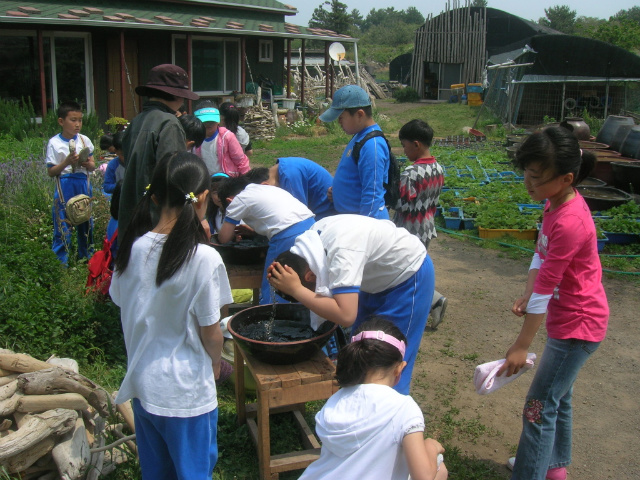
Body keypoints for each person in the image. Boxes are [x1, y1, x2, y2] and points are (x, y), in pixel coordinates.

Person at [110, 151, 233, 480]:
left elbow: (124, 302)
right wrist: (216, 362)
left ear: (154, 195)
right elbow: (212, 332)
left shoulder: (134, 249)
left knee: (157, 473)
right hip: (186, 395)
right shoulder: (204, 259)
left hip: (143, 386)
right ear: (202, 198)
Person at [496, 127, 609, 480]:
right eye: (527, 175)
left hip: (579, 325)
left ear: (566, 178)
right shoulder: (554, 202)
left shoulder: (572, 221)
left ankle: (531, 472)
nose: (529, 184)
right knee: (557, 399)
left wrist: (520, 345)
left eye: (537, 178)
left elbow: (548, 285)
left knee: (538, 406)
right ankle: (553, 468)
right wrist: (529, 292)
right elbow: (540, 257)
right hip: (568, 321)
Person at [268, 214, 435, 395]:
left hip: (407, 277)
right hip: (374, 280)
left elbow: (346, 316)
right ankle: (358, 407)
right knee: (362, 348)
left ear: (310, 277)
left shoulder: (342, 253)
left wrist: (296, 290)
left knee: (389, 359)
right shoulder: (309, 246)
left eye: (308, 289)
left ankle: (391, 414)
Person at [299, 317, 447, 480]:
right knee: (439, 468)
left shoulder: (335, 402)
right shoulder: (403, 408)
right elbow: (424, 477)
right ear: (399, 369)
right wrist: (431, 447)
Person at [119, 64, 199, 236]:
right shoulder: (169, 123)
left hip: (132, 214)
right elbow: (173, 176)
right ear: (175, 95)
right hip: (156, 218)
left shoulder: (136, 121)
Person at [217, 174, 315, 304]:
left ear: (230, 201)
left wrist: (231, 234)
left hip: (286, 235)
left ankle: (270, 317)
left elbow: (223, 239)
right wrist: (254, 232)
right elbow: (277, 216)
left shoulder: (238, 200)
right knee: (302, 278)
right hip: (311, 227)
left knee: (273, 282)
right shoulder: (266, 189)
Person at [394, 119, 448, 329]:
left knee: (404, 274)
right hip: (426, 228)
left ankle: (432, 302)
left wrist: (388, 192)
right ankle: (433, 301)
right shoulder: (437, 168)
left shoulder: (411, 173)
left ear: (416, 144)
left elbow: (403, 205)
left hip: (409, 230)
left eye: (405, 145)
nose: (404, 150)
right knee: (415, 271)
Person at [319, 84, 390, 219]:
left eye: (341, 118)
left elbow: (372, 196)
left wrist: (363, 232)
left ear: (359, 115)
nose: (339, 123)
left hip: (364, 223)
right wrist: (339, 193)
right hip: (352, 219)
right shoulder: (360, 136)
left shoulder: (372, 146)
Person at [45, 101, 96, 264]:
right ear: (61, 121)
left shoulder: (84, 140)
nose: (77, 124)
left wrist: (88, 164)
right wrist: (66, 162)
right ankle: (61, 261)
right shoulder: (54, 142)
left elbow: (93, 164)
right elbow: (51, 171)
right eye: (73, 120)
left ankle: (87, 256)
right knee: (62, 222)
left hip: (83, 182)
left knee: (85, 219)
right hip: (65, 184)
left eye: (80, 120)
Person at [245, 158, 337, 220]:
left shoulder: (289, 177)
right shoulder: (283, 167)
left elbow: (297, 216)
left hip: (327, 215)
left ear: (265, 185)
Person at [194, 101, 249, 177]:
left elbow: (240, 160)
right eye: (204, 122)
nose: (208, 124)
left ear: (219, 120)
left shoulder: (227, 137)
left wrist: (248, 179)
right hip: (205, 180)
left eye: (212, 121)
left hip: (226, 180)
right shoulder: (194, 138)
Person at [103, 130, 126, 195]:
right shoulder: (113, 165)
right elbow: (107, 187)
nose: (126, 158)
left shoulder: (136, 163)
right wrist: (121, 185)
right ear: (116, 151)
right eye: (123, 155)